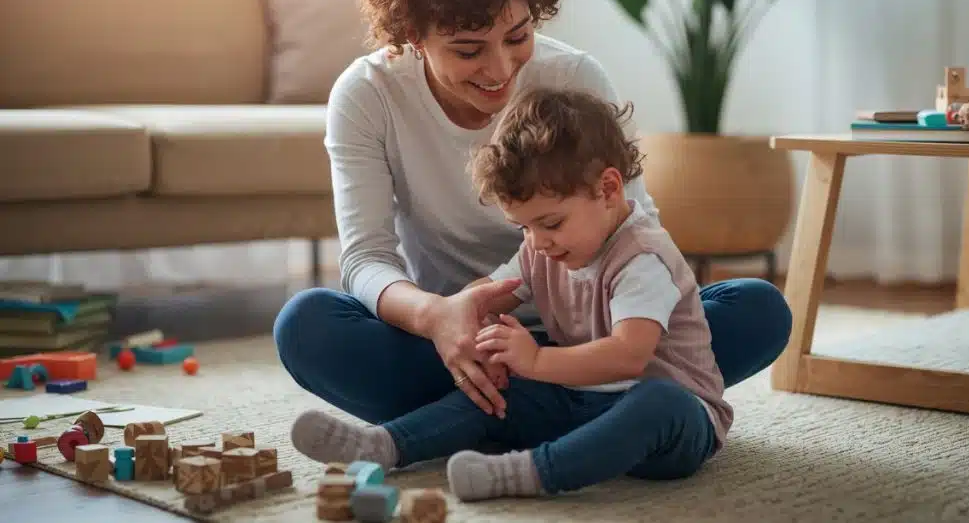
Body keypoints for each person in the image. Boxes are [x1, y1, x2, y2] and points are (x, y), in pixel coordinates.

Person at [273, 0, 791, 429]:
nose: (500, 70)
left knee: (757, 308)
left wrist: (588, 345)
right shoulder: (367, 94)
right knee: (305, 326)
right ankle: (588, 415)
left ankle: (498, 410)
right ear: (412, 35)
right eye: (468, 50)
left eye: (517, 36)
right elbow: (365, 259)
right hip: (449, 339)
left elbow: (636, 228)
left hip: (595, 334)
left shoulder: (575, 78)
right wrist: (437, 317)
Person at [291, 87, 731, 501]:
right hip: (589, 397)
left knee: (657, 400)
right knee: (508, 388)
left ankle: (530, 473)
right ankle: (386, 444)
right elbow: (494, 291)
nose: (538, 242)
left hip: (676, 421)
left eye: (552, 223)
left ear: (609, 190)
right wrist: (462, 312)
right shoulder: (542, 248)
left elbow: (628, 356)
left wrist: (537, 360)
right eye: (524, 227)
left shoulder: (642, 257)